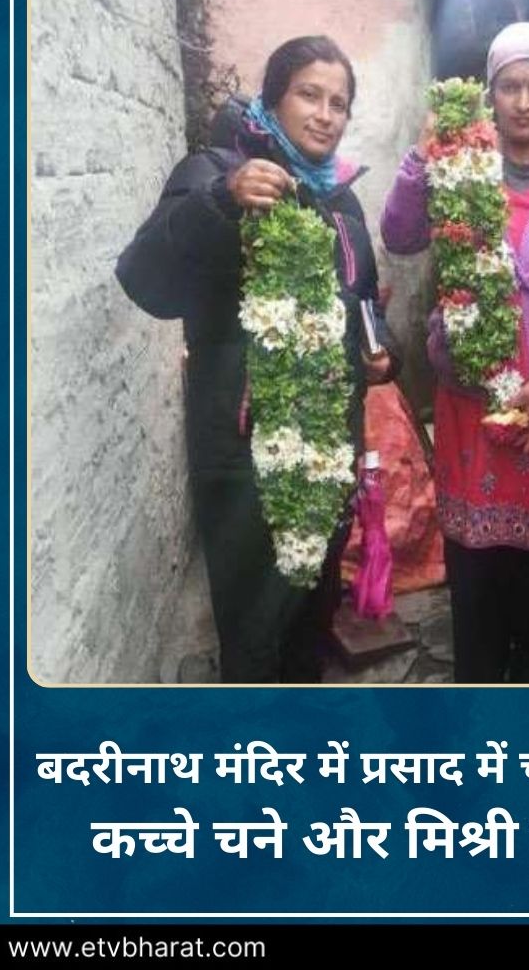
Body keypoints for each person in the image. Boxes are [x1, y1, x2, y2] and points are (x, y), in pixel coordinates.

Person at [116, 35, 398, 683]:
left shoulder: (342, 200)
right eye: (309, 94)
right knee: (253, 633)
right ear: (273, 97)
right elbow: (144, 280)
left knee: (310, 621)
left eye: (340, 103)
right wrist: (224, 200)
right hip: (244, 455)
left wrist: (384, 354)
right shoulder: (215, 172)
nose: (326, 113)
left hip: (327, 450)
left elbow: (363, 306)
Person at [381, 21, 529, 683]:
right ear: (490, 94)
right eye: (510, 86)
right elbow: (399, 236)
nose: (524, 101)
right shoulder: (460, 167)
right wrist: (421, 159)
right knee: (476, 587)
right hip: (467, 407)